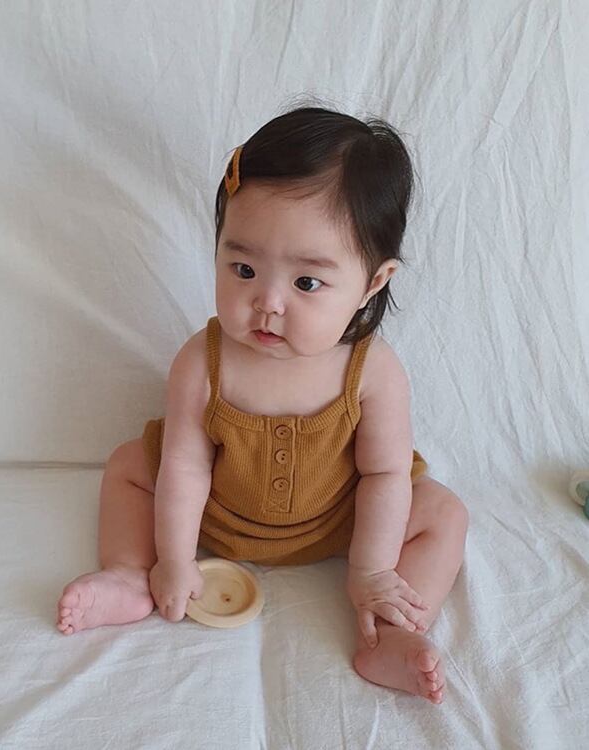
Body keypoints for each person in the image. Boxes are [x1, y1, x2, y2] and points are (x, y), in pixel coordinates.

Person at [56, 106, 469, 704]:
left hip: (340, 521)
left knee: (444, 513)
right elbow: (184, 466)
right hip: (218, 515)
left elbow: (385, 475)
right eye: (244, 268)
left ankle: (391, 630)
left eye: (307, 283)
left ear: (372, 283)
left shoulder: (374, 372)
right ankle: (127, 574)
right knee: (128, 466)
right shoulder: (202, 362)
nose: (268, 302)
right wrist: (174, 558)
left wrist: (372, 570)